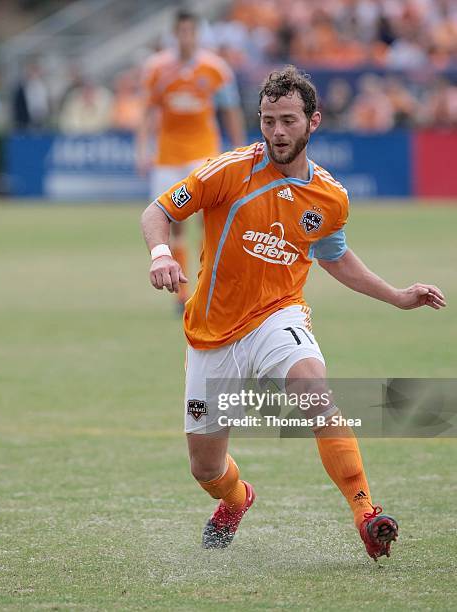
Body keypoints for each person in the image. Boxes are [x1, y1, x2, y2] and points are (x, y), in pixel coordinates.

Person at [140, 65, 446, 560]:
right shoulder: (228, 171)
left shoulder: (330, 197)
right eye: (267, 121)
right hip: (213, 330)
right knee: (206, 469)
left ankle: (367, 513)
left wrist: (396, 294)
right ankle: (238, 500)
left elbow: (335, 256)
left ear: (313, 121)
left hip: (278, 316)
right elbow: (158, 212)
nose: (276, 132)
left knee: (314, 391)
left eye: (287, 120)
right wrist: (161, 255)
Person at [136, 8, 246, 312]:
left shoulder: (215, 69)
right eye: (181, 32)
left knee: (207, 219)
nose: (186, 37)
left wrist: (238, 150)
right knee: (173, 223)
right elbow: (146, 112)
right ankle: (181, 294)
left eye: (191, 32)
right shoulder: (157, 68)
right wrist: (142, 150)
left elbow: (231, 110)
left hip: (202, 151)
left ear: (197, 34)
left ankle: (206, 286)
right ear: (174, 34)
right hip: (168, 154)